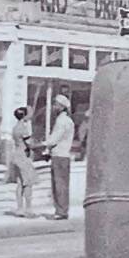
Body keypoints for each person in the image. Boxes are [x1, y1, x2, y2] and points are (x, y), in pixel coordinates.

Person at [46, 92, 78, 221]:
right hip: (62, 155)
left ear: (61, 107)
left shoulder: (62, 121)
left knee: (59, 184)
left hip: (60, 155)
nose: (53, 107)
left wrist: (41, 144)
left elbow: (54, 140)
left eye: (56, 105)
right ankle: (62, 210)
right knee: (62, 184)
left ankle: (61, 211)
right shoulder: (67, 120)